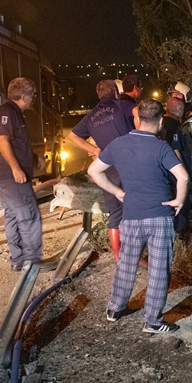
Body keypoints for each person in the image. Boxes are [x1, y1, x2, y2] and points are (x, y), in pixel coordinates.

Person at [89, 99, 189, 334]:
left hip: (131, 215)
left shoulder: (117, 144)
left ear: (137, 119)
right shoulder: (161, 147)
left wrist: (116, 191)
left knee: (126, 263)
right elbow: (182, 177)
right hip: (159, 216)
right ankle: (152, 321)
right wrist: (179, 201)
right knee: (158, 269)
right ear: (161, 121)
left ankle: (115, 309)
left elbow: (93, 171)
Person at [67, 79, 134, 258]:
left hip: (107, 169)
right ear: (115, 92)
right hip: (129, 165)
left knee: (115, 212)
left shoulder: (91, 116)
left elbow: (72, 136)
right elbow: (138, 112)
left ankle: (118, 254)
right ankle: (134, 251)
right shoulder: (121, 105)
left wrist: (94, 149)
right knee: (134, 207)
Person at [0, 77, 42, 271]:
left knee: (13, 216)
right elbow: (2, 140)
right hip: (11, 176)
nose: (33, 100)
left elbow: (16, 142)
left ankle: (18, 260)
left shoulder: (15, 113)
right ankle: (32, 261)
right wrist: (15, 168)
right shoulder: (7, 112)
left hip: (8, 175)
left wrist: (34, 156)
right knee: (29, 214)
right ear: (23, 96)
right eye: (32, 96)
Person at [163, 96, 192, 234]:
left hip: (166, 174)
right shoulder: (173, 125)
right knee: (181, 206)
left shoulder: (162, 123)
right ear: (179, 109)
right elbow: (175, 151)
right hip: (176, 175)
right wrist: (184, 173)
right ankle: (178, 234)